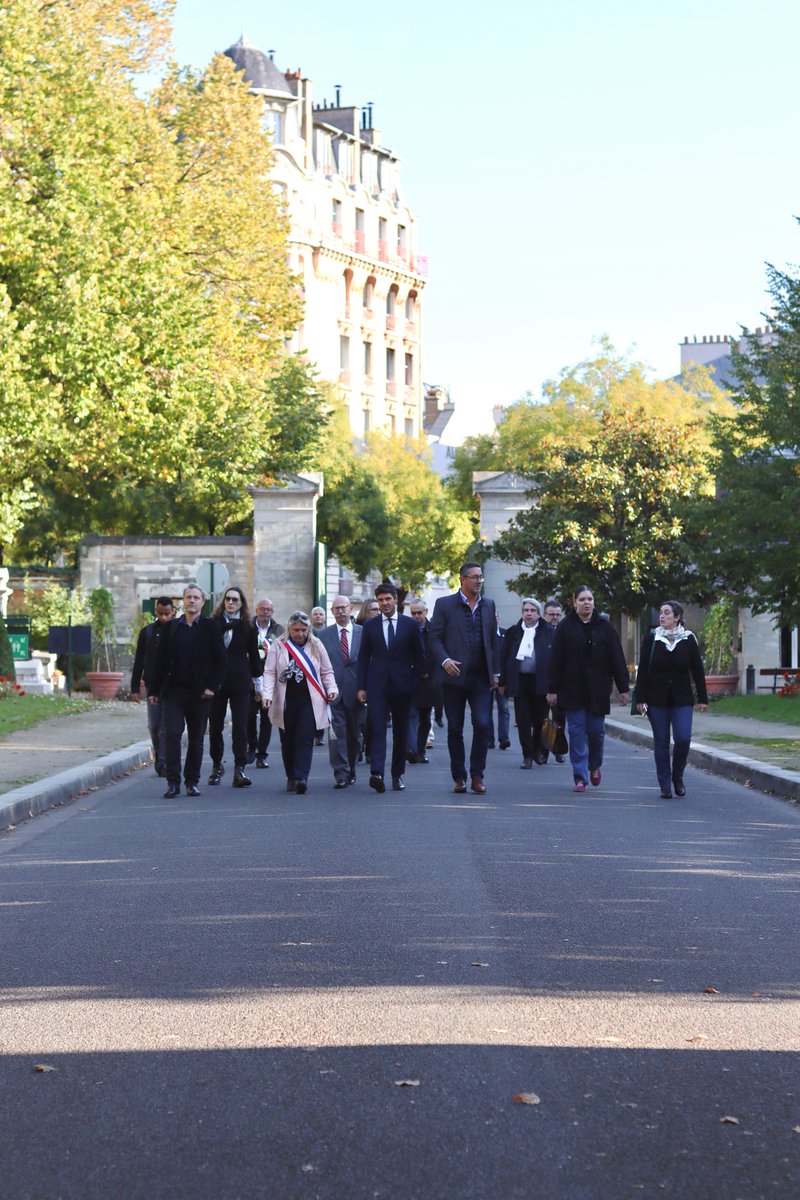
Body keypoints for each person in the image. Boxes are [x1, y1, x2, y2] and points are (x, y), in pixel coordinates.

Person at [546, 585, 629, 793]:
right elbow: (555, 660)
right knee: (576, 732)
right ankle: (580, 777)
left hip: (598, 691)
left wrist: (623, 688)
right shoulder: (565, 627)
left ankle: (594, 766)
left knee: (596, 733)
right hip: (572, 690)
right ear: (574, 602)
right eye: (582, 599)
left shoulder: (605, 627)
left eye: (590, 599)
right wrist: (552, 689)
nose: (586, 603)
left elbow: (617, 658)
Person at [148, 584, 226, 798]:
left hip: (200, 694)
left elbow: (220, 662)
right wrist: (154, 689)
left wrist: (212, 687)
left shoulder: (211, 628)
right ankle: (173, 782)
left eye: (196, 598)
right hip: (173, 691)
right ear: (183, 601)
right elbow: (160, 661)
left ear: (203, 602)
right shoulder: (171, 627)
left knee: (196, 738)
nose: (192, 601)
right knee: (172, 735)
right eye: (188, 597)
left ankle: (192, 781)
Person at [428, 562, 500, 795]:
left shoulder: (488, 605)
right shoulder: (444, 604)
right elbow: (435, 638)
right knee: (455, 728)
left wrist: (496, 672)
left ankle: (478, 775)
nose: (479, 581)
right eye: (474, 577)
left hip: (480, 678)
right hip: (454, 678)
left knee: (482, 724)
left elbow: (493, 641)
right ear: (462, 579)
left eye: (481, 577)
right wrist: (445, 660)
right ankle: (459, 777)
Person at [635, 600, 709, 798]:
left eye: (667, 613)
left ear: (677, 617)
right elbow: (642, 670)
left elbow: (697, 670)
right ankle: (665, 784)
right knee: (661, 742)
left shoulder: (688, 639)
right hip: (656, 698)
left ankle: (678, 776)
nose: (662, 616)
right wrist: (640, 698)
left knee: (683, 738)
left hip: (682, 697)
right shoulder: (652, 638)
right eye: (660, 612)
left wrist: (703, 697)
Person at [356, 581, 424, 793]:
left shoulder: (410, 625)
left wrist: (413, 681)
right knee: (376, 728)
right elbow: (364, 657)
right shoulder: (370, 626)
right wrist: (361, 686)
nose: (384, 603)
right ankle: (377, 773)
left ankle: (397, 775)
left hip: (403, 686)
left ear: (395, 600)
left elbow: (420, 657)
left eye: (387, 599)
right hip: (377, 686)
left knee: (401, 732)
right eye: (380, 600)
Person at [262, 611, 337, 795]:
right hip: (285, 700)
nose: (300, 634)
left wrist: (332, 689)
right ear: (289, 629)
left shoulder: (316, 645)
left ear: (308, 629)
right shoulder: (279, 645)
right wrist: (267, 694)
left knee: (304, 738)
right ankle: (290, 776)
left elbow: (327, 671)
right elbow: (270, 672)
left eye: (304, 630)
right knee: (288, 740)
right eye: (296, 630)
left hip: (309, 701)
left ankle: (301, 777)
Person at [207, 587, 262, 789]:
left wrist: (259, 686)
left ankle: (239, 769)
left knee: (240, 726)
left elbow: (255, 658)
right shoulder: (213, 625)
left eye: (235, 600)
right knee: (215, 727)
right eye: (227, 599)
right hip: (216, 684)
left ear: (241, 603)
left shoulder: (248, 627)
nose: (230, 603)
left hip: (240, 682)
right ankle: (216, 765)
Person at [500, 598, 554, 768]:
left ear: (538, 614)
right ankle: (527, 756)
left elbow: (555, 659)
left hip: (541, 682)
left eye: (532, 611)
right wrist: (502, 681)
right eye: (526, 610)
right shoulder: (514, 632)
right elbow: (504, 657)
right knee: (522, 720)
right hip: (520, 681)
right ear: (522, 613)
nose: (529, 613)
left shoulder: (548, 631)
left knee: (539, 720)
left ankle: (537, 749)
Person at [318, 596, 364, 788]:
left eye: (343, 607)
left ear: (350, 608)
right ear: (332, 612)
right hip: (333, 693)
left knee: (355, 735)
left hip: (357, 693)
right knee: (337, 734)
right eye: (336, 608)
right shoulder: (323, 636)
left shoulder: (364, 633)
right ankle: (341, 772)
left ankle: (352, 767)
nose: (340, 611)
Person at [130, 596, 174, 776]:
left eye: (167, 614)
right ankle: (159, 752)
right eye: (160, 614)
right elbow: (139, 660)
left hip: (172, 685)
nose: (163, 618)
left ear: (172, 612)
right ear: (156, 612)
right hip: (152, 685)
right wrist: (134, 688)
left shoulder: (176, 630)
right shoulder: (147, 632)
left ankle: (163, 759)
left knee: (166, 724)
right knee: (154, 724)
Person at [247, 598, 284, 768]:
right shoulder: (247, 628)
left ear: (272, 612)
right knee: (248, 717)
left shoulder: (279, 631)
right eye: (262, 609)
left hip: (270, 682)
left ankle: (262, 754)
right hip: (249, 680)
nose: (265, 612)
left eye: (268, 609)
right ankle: (251, 746)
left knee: (266, 720)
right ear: (256, 610)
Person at [406, 598, 441, 765]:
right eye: (413, 613)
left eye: (419, 613)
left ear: (426, 612)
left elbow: (437, 652)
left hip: (429, 681)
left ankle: (420, 751)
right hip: (411, 680)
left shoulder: (434, 629)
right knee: (411, 716)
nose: (416, 616)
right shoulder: (406, 629)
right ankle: (411, 750)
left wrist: (430, 672)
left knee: (426, 719)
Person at [489, 615, 511, 750]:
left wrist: (504, 678)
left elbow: (509, 657)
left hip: (503, 679)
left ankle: (504, 737)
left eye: (496, 616)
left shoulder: (505, 634)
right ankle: (489, 739)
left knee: (504, 708)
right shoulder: (483, 635)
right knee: (486, 710)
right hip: (487, 679)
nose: (494, 619)